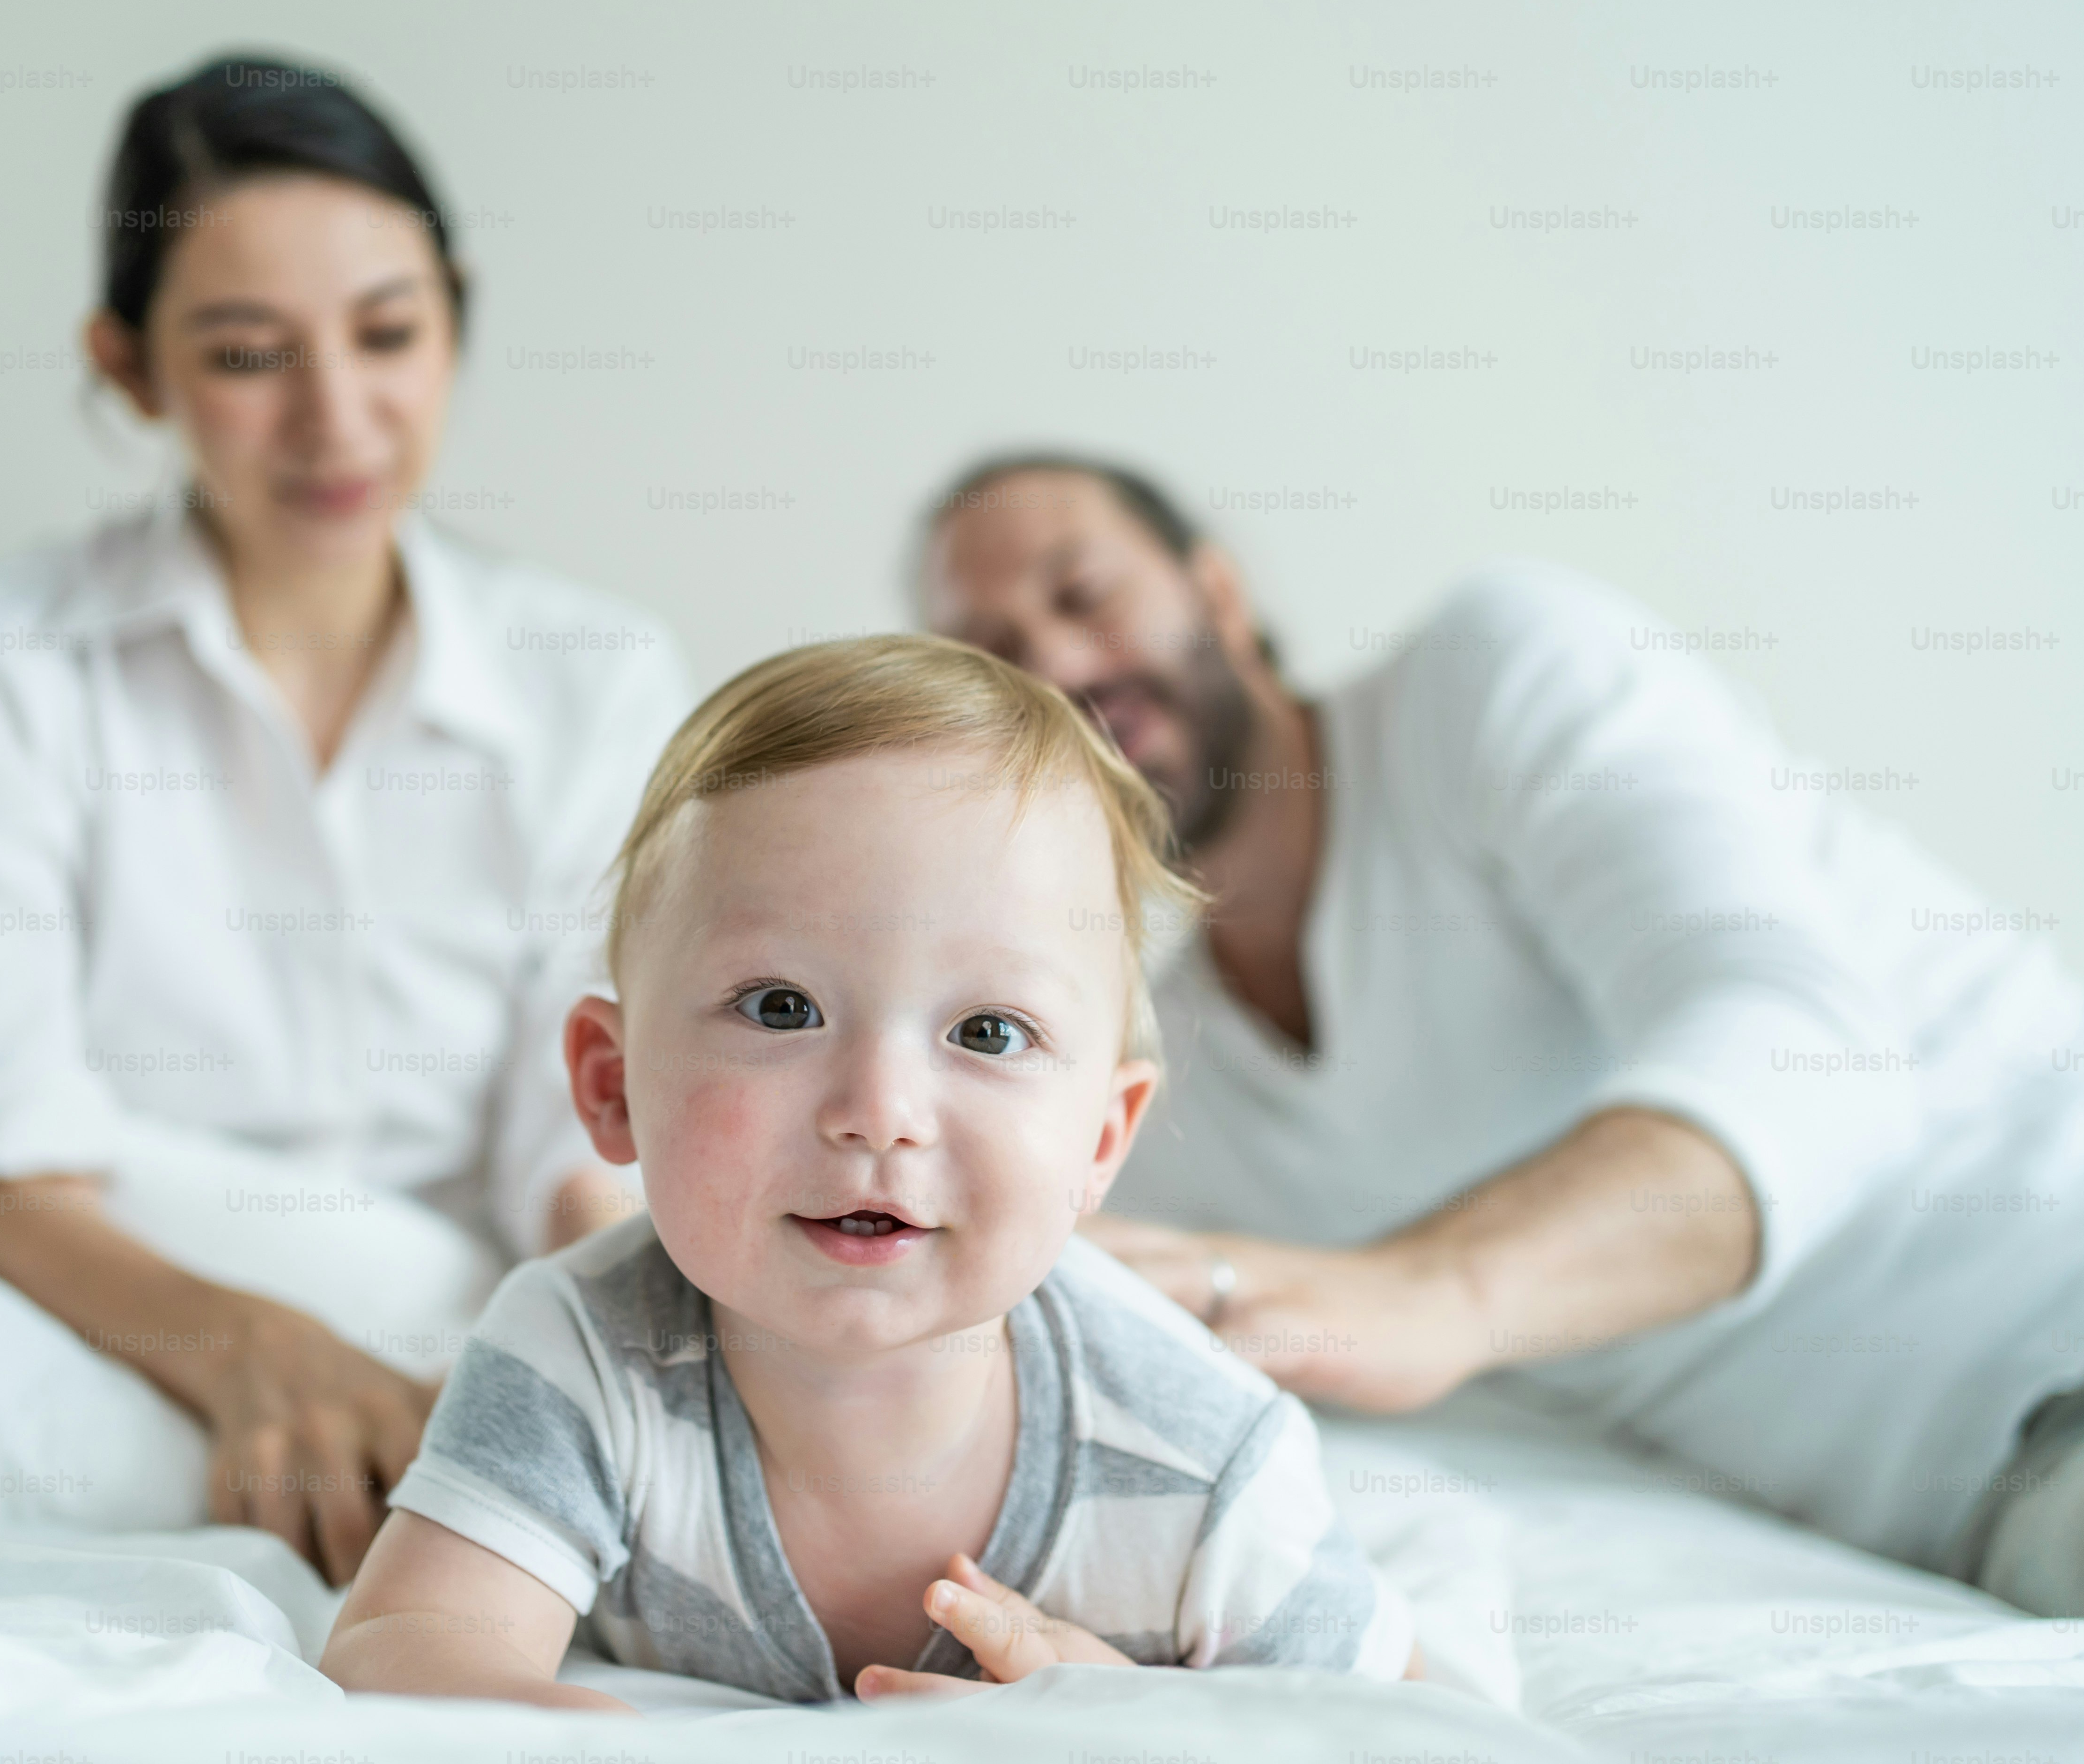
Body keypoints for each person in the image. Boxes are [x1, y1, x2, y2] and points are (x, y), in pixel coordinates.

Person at [916, 453, 2084, 1627]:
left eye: (1083, 594)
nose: (1063, 666)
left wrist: (1425, 1294)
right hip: (2007, 1494)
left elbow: (1812, 1060)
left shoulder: (1482, 682)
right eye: (998, 652)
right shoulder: (1157, 1081)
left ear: (1217, 592)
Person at [0, 55, 687, 1585]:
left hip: (471, 1303)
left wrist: (598, 1381)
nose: (338, 418)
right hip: (107, 1301)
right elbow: (3, 1158)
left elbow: (580, 1122)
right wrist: (252, 1346)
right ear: (128, 368)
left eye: (390, 334)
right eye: (250, 354)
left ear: (455, 317)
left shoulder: (597, 676)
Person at [319, 637, 1415, 1710]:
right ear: (612, 1086)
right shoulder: (579, 1357)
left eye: (988, 1030)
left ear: (1098, 1141)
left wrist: (1129, 1711)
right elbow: (411, 1642)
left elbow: (1397, 1729)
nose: (878, 1112)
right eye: (781, 1007)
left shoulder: (1206, 1460)